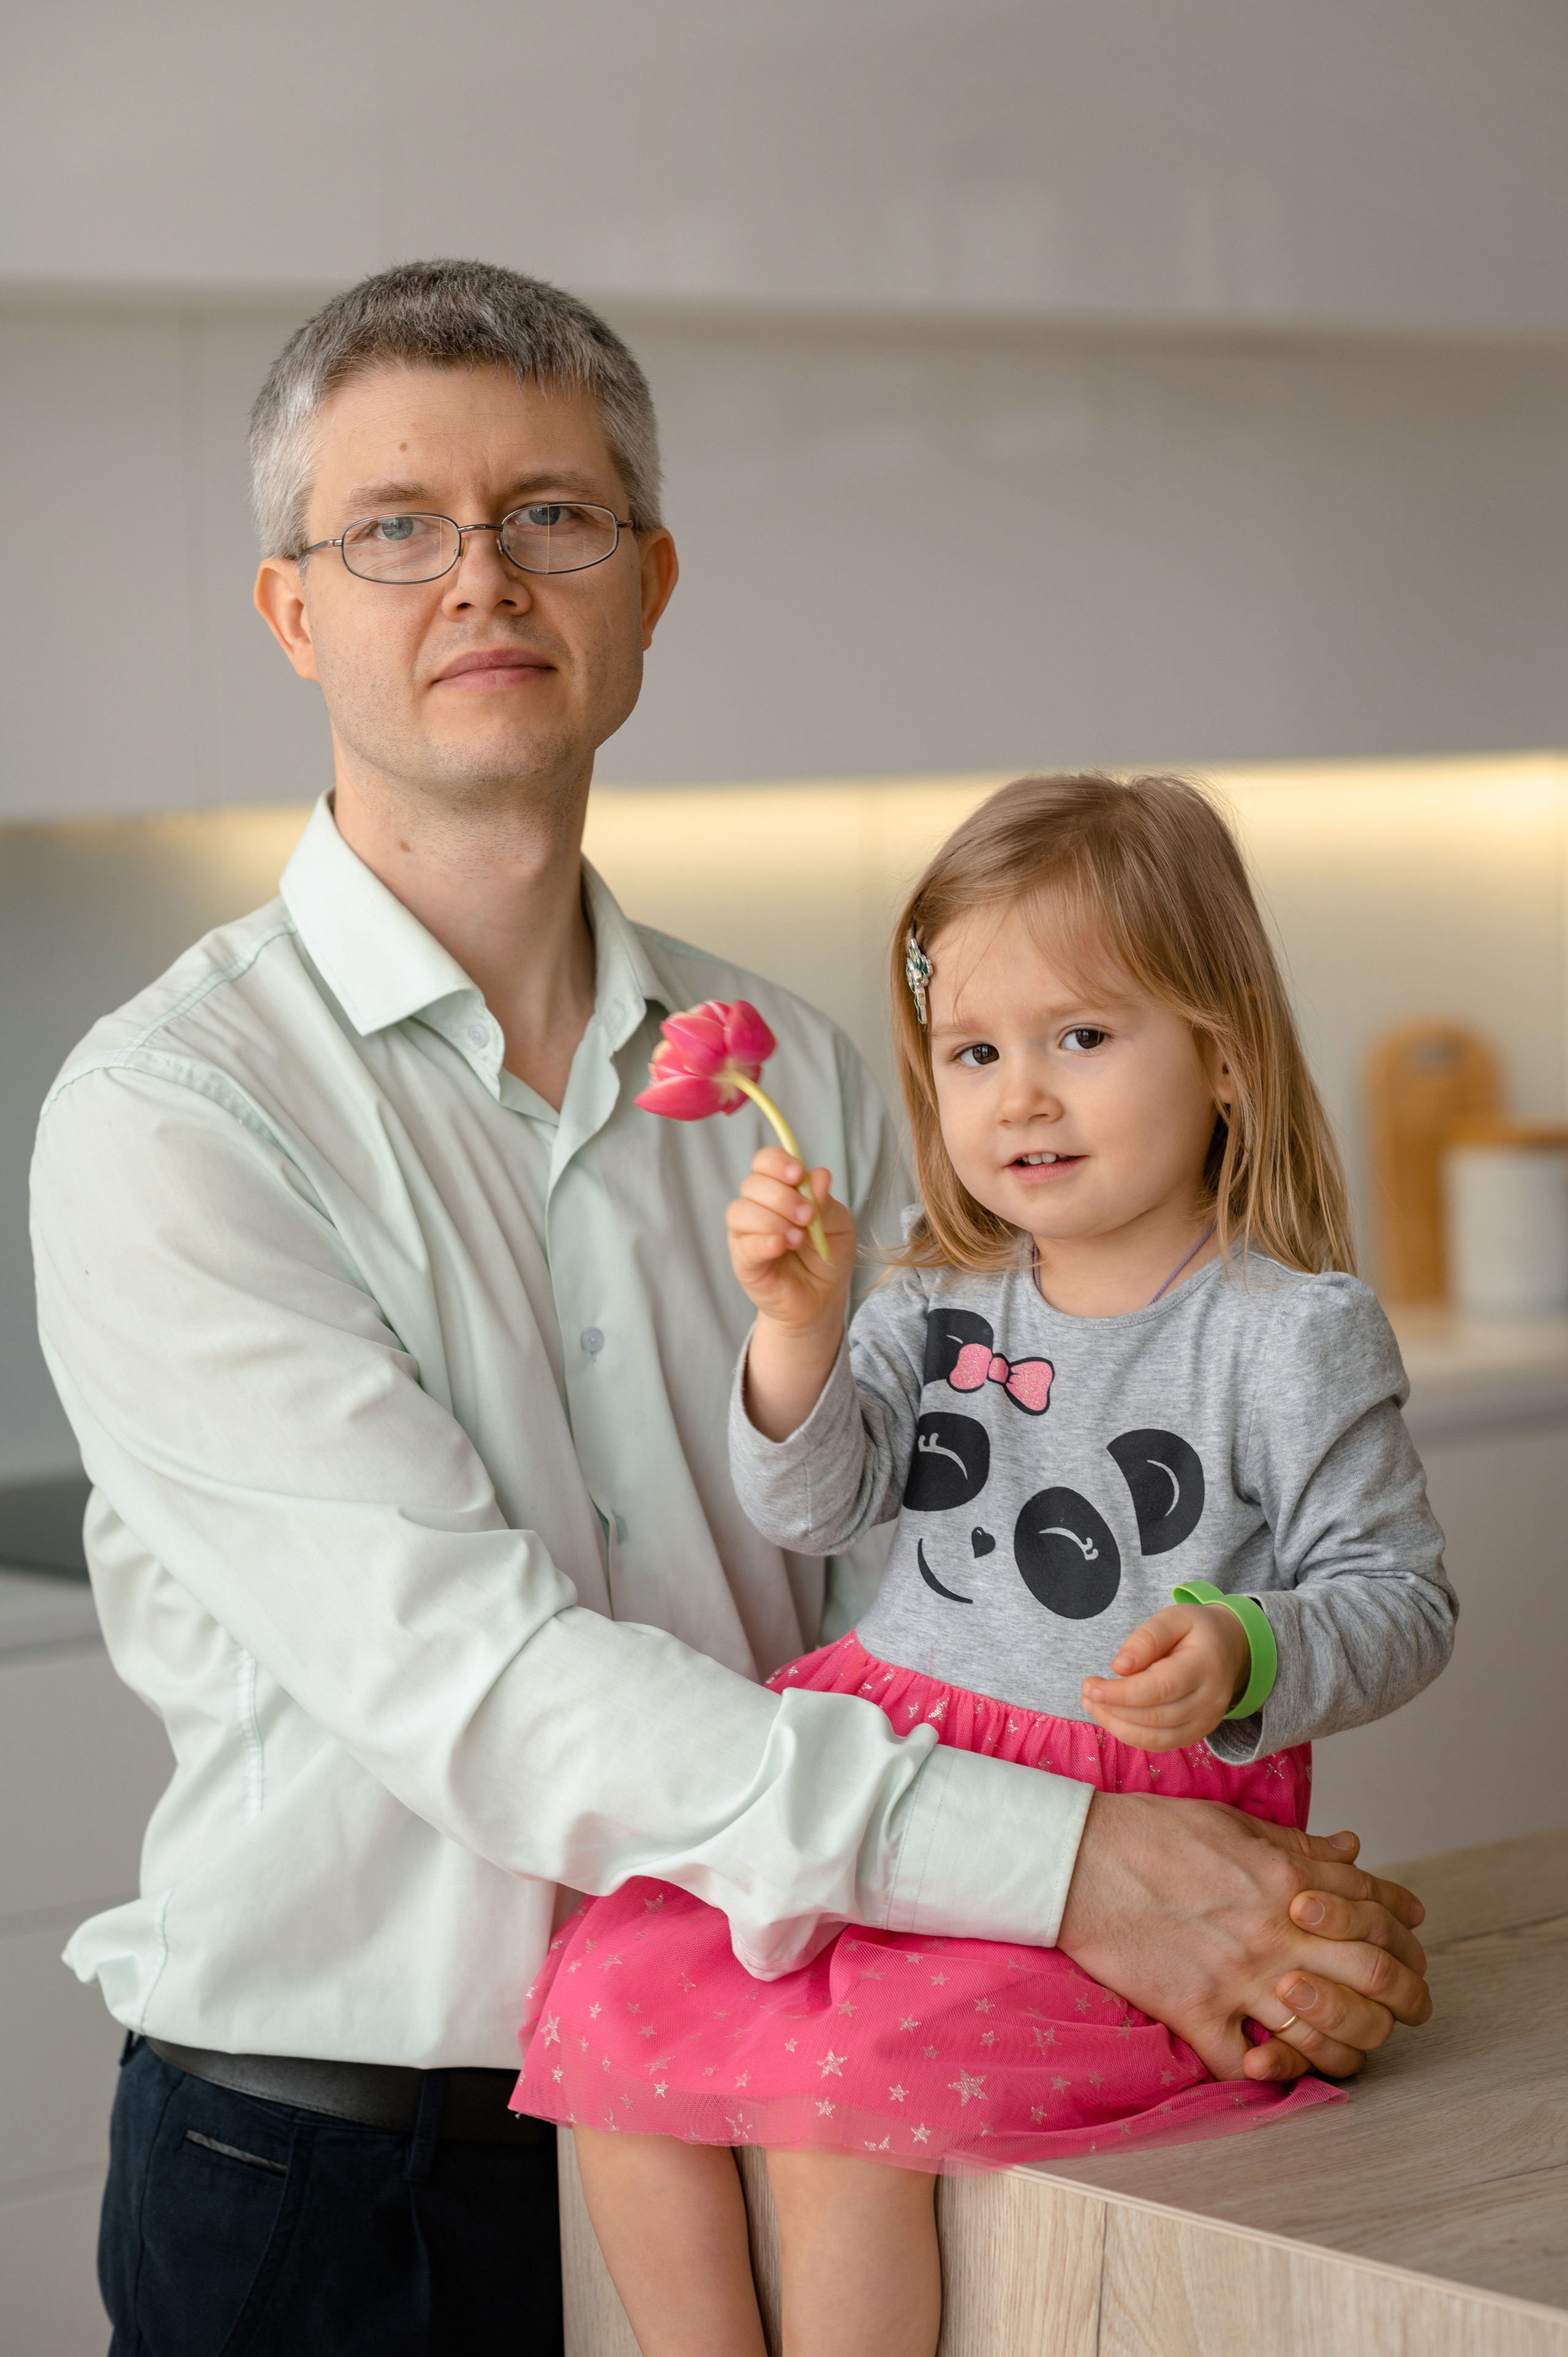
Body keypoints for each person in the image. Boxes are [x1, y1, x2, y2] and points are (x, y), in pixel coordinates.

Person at [29, 266, 1432, 2357]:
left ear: (650, 585)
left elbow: (960, 1578)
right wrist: (1081, 1873)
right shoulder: (177, 1116)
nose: (482, 576)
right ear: (291, 612)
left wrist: (1231, 1856)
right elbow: (486, 1694)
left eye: (554, 516)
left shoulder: (800, 1061)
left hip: (822, 2072)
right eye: (395, 526)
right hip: (345, 2184)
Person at [518, 773, 1456, 2357]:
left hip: (1127, 1822)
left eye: (1081, 1038)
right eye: (975, 1051)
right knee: (605, 1991)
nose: (1020, 1095)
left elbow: (1400, 1601)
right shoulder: (928, 1303)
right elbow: (810, 1508)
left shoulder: (1288, 1337)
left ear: (1222, 1059)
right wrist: (802, 1330)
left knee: (838, 2104)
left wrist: (1250, 1648)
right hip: (889, 1761)